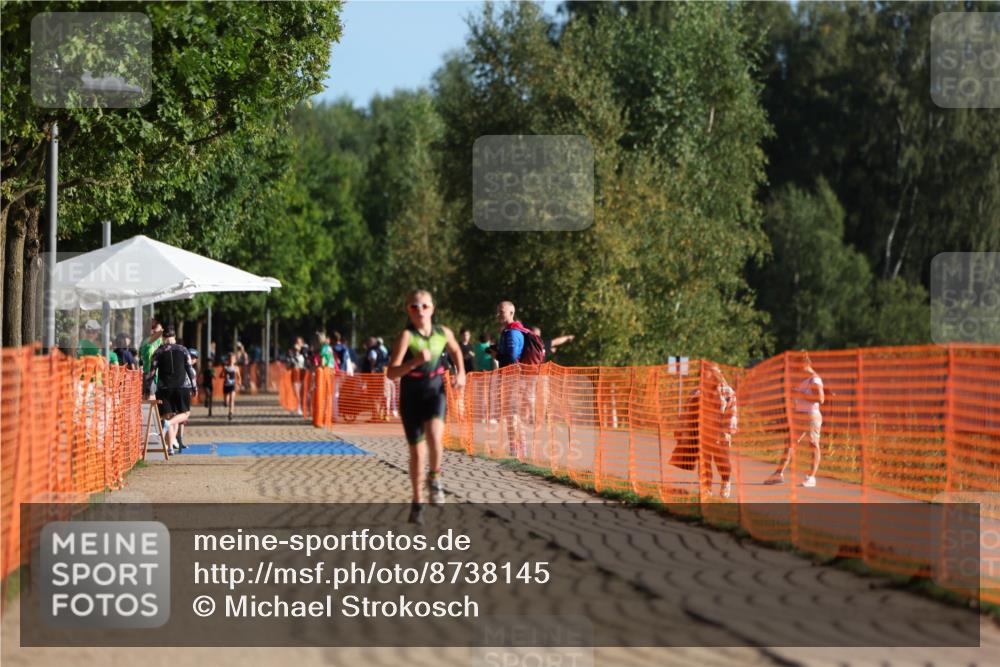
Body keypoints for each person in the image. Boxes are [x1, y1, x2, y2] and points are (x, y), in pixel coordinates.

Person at [387, 289, 466, 524]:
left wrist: (461, 373)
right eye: (414, 307)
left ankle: (435, 478)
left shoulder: (443, 333)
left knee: (434, 436)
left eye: (424, 306)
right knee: (417, 453)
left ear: (432, 308)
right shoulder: (406, 337)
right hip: (412, 394)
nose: (419, 310)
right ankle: (417, 501)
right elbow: (392, 372)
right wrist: (414, 362)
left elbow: (455, 350)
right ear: (408, 311)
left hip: (435, 390)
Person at [765, 354, 825, 487]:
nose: (796, 370)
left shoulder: (815, 379)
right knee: (790, 443)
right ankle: (778, 474)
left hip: (811, 416)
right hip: (800, 415)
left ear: (804, 363)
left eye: (797, 367)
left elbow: (820, 399)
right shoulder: (806, 379)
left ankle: (811, 477)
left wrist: (799, 394)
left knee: (813, 444)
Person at [147, 329, 197, 453]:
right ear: (174, 337)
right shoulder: (183, 350)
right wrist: (194, 387)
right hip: (182, 386)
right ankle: (168, 424)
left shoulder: (158, 351)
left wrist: (148, 388)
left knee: (166, 414)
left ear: (163, 337)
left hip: (164, 388)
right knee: (185, 413)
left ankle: (170, 448)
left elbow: (152, 372)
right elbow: (190, 370)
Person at [703, 364, 738, 499]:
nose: (703, 375)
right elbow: (691, 408)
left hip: (720, 431)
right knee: (704, 460)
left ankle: (725, 481)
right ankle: (707, 488)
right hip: (704, 430)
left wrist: (725, 431)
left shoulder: (728, 392)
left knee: (721, 461)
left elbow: (732, 412)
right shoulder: (699, 391)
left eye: (705, 372)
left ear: (713, 374)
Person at [288, 337, 307, 416]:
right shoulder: (291, 353)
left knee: (301, 392)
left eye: (299, 342)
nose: (297, 344)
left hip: (302, 374)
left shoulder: (304, 352)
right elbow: (289, 364)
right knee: (295, 392)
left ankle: (301, 408)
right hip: (294, 375)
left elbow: (307, 362)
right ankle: (294, 407)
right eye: (296, 342)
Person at [222, 353, 241, 421]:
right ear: (228, 360)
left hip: (233, 385)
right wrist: (224, 376)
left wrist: (239, 383)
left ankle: (230, 413)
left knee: (232, 400)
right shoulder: (225, 367)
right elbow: (221, 375)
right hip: (226, 385)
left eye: (232, 359)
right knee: (226, 401)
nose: (231, 360)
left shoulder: (236, 368)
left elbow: (239, 377)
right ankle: (225, 402)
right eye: (230, 359)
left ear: (235, 360)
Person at [201, 344, 217, 417]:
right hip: (205, 384)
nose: (209, 363)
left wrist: (213, 375)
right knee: (208, 394)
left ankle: (210, 412)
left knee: (211, 398)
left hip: (210, 385)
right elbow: (200, 375)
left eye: (210, 362)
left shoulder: (212, 369)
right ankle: (206, 400)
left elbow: (215, 376)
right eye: (208, 362)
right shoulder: (204, 369)